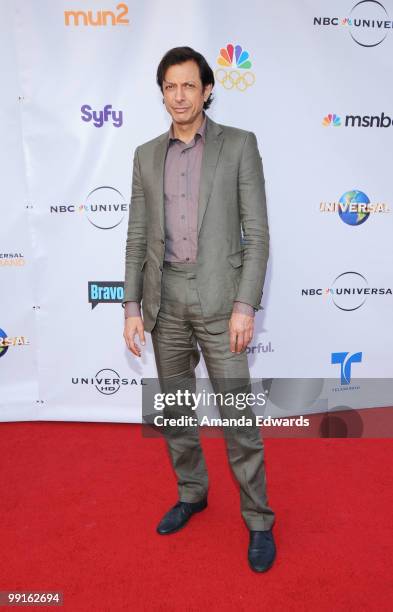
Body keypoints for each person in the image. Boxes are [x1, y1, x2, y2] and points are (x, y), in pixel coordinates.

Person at [122, 46, 276, 572]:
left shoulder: (238, 146)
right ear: (161, 93)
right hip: (164, 303)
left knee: (237, 417)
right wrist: (130, 306)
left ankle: (258, 519)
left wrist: (244, 305)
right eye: (170, 87)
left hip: (219, 301)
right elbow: (136, 237)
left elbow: (256, 235)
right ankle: (192, 492)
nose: (180, 96)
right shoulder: (145, 154)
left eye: (189, 85)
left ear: (207, 90)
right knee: (176, 412)